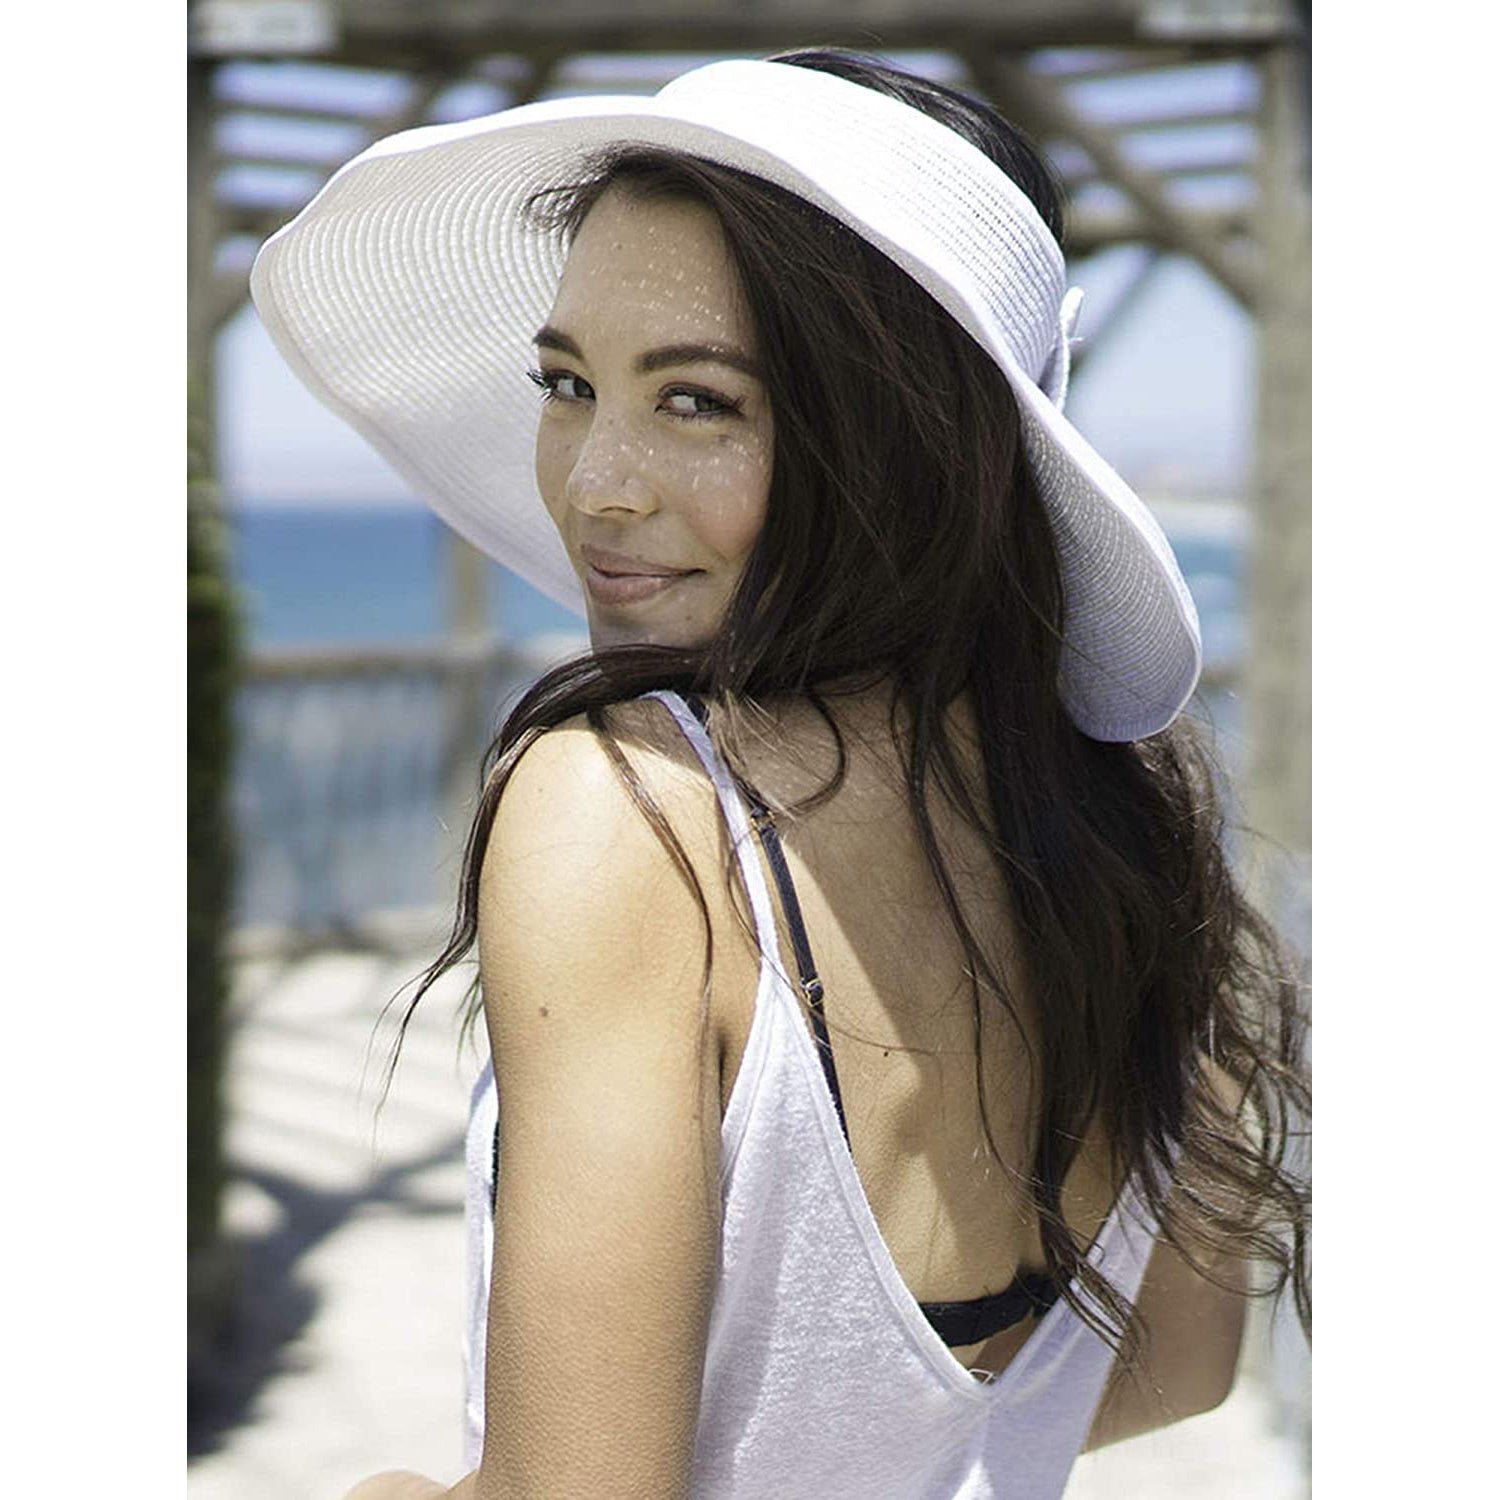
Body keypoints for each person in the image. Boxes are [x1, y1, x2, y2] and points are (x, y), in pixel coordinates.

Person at [250, 48, 1311, 1500]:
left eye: (698, 402)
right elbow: (1180, 1363)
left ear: (899, 438)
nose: (595, 481)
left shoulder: (632, 817)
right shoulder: (1117, 819)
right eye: (567, 384)